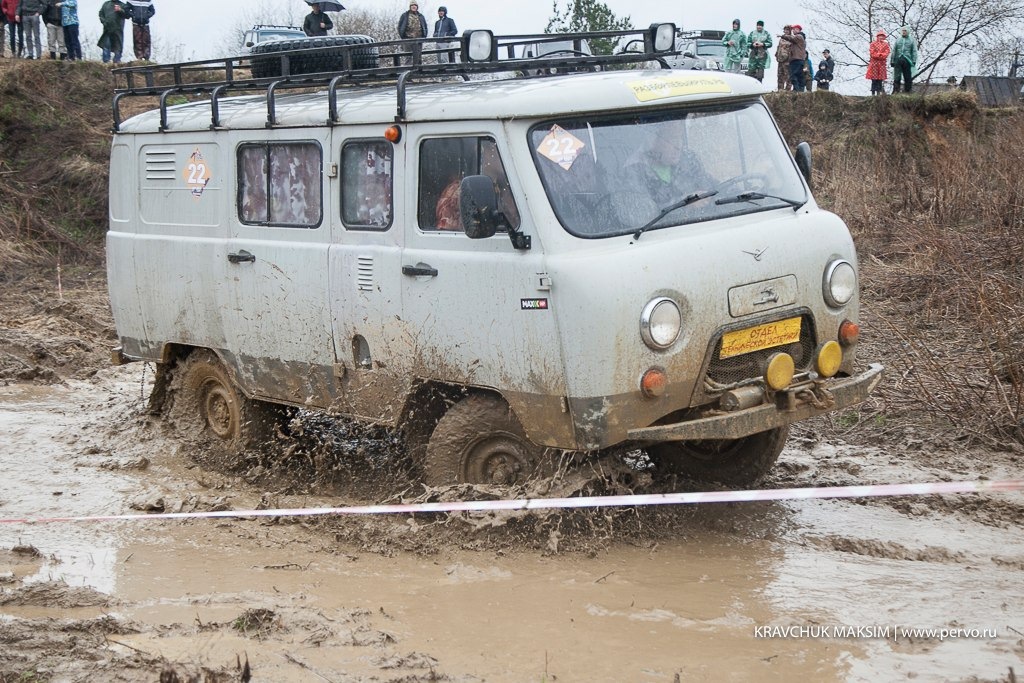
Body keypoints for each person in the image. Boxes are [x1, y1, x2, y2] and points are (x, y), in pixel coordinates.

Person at [780, 23, 807, 91]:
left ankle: (797, 89)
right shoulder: (800, 38)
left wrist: (783, 36)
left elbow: (791, 38)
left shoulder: (799, 36)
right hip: (799, 59)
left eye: (794, 29)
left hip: (796, 59)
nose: (792, 31)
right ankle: (800, 90)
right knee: (799, 75)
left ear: (798, 29)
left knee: (793, 75)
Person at [891, 26, 917, 93]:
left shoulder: (911, 40)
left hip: (907, 60)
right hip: (898, 59)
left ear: (908, 31)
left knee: (907, 75)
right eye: (903, 31)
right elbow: (894, 50)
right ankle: (896, 90)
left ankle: (908, 91)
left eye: (905, 31)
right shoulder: (898, 40)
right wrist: (892, 60)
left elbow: (914, 51)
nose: (904, 32)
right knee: (897, 75)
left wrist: (914, 60)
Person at [866, 30, 889, 95]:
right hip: (874, 64)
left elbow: (887, 53)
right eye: (879, 36)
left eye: (882, 36)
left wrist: (880, 55)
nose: (881, 37)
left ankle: (878, 93)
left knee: (880, 80)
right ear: (877, 36)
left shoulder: (886, 45)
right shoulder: (873, 44)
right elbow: (872, 53)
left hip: (881, 65)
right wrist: (879, 55)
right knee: (874, 79)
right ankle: (873, 93)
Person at [774, 24, 793, 90]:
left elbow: (792, 49)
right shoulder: (781, 39)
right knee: (780, 75)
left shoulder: (791, 38)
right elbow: (779, 47)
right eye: (785, 30)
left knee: (788, 76)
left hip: (787, 60)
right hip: (780, 59)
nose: (786, 31)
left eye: (787, 30)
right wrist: (776, 54)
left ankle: (787, 90)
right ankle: (780, 90)